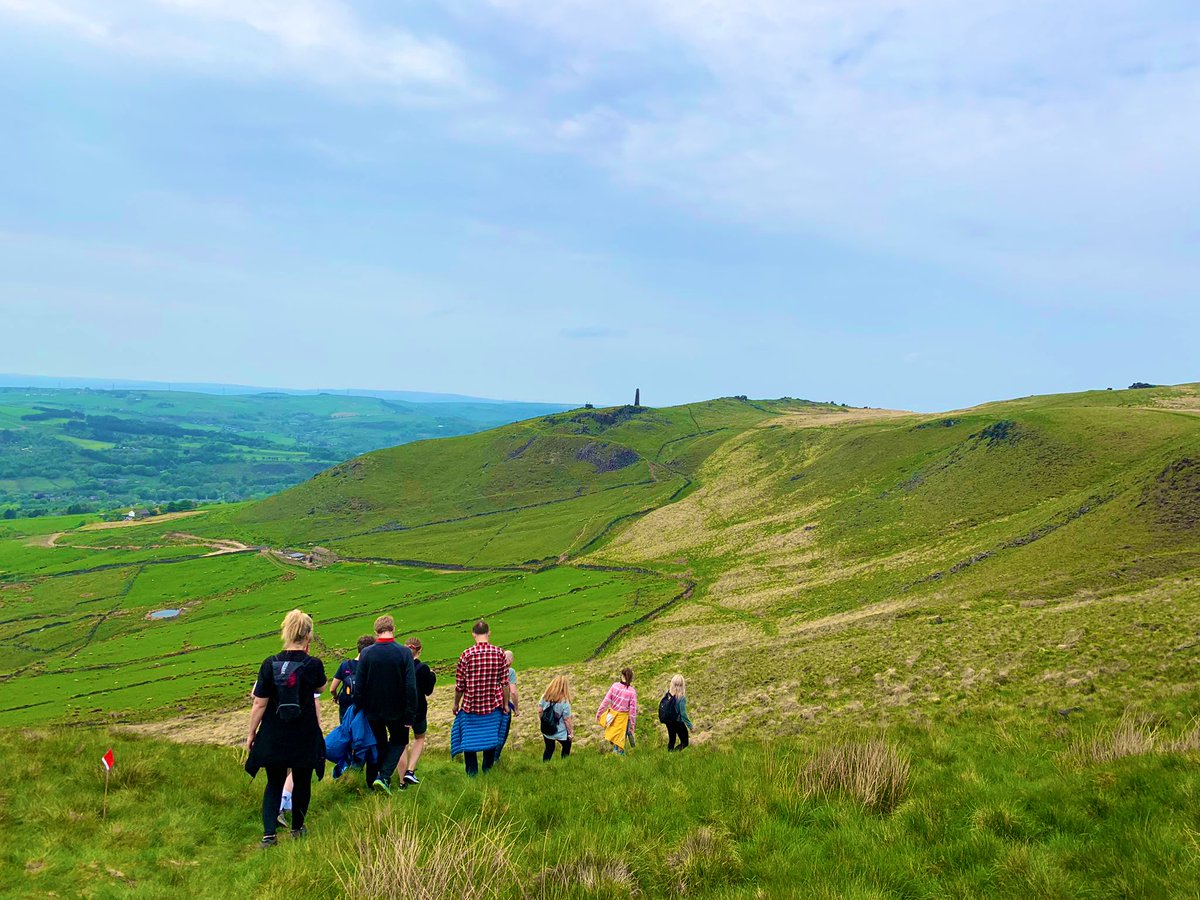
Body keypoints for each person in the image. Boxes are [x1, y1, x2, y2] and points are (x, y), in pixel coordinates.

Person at [245, 609, 327, 848]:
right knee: (302, 781)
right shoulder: (313, 665)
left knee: (274, 782)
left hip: (274, 734)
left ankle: (269, 835)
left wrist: (252, 733)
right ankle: (297, 829)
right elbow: (321, 688)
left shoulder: (270, 664)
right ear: (308, 635)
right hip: (304, 733)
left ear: (286, 632)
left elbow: (259, 702)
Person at [353, 615, 416, 794]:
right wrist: (410, 713)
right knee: (400, 741)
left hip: (373, 708)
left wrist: (358, 706)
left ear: (376, 632)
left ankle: (379, 780)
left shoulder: (366, 653)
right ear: (393, 629)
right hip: (398, 708)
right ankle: (384, 776)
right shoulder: (403, 652)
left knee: (380, 743)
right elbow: (410, 686)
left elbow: (360, 682)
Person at [450, 620, 511, 776]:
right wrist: (505, 704)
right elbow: (505, 683)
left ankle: (472, 774)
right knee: (490, 738)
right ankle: (487, 770)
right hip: (493, 704)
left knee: (469, 741)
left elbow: (460, 686)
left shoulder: (466, 655)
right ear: (489, 633)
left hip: (471, 706)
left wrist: (456, 704)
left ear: (473, 634)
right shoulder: (499, 653)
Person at [398, 637, 436, 785]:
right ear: (419, 651)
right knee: (419, 738)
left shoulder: (398, 667)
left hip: (400, 710)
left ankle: (401, 781)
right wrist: (432, 676)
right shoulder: (423, 669)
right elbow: (428, 691)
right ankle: (410, 770)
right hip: (418, 709)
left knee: (402, 743)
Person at [330, 634, 376, 723]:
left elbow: (332, 689)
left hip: (347, 705)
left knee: (347, 731)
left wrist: (336, 697)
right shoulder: (372, 666)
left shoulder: (345, 665)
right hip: (367, 706)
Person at [596, 667, 637, 754]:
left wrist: (599, 714)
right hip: (623, 719)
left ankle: (616, 759)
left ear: (622, 676)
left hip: (612, 717)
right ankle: (618, 758)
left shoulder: (614, 686)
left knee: (614, 737)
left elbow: (605, 701)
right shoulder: (632, 692)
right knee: (620, 741)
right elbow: (633, 711)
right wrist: (632, 725)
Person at [538, 674, 574, 761]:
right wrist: (571, 732)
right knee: (566, 746)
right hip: (561, 731)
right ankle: (564, 765)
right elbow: (566, 719)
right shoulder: (565, 702)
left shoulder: (545, 696)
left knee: (549, 749)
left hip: (547, 729)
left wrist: (544, 721)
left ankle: (545, 766)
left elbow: (539, 710)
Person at [661, 673, 694, 751]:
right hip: (678, 722)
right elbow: (683, 714)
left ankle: (669, 756)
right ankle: (674, 754)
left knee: (672, 740)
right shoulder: (681, 698)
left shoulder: (668, 695)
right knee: (685, 742)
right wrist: (690, 726)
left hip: (669, 721)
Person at [504, 649, 519, 716]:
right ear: (510, 660)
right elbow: (513, 692)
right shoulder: (510, 671)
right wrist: (516, 708)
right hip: (505, 705)